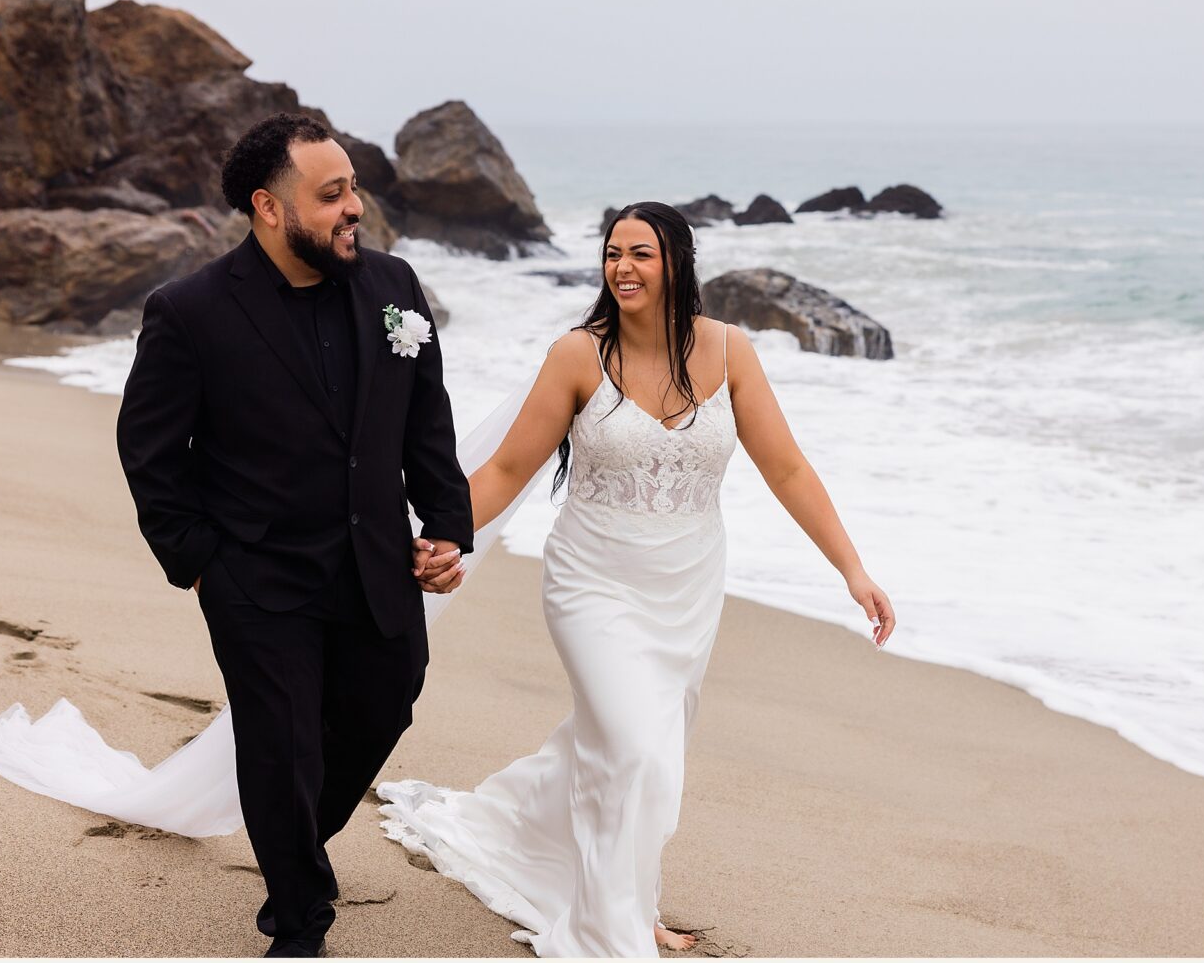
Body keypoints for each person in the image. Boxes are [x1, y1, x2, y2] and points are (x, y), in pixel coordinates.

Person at [379, 201, 896, 957]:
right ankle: (609, 929)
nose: (622, 266)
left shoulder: (730, 353)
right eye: (613, 253)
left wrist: (853, 570)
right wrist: (447, 536)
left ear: (677, 263)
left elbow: (786, 467)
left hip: (688, 588)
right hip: (592, 582)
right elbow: (511, 468)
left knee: (643, 749)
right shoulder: (576, 356)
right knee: (634, 750)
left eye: (641, 254)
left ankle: (614, 886)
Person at [115, 112, 474, 957]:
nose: (355, 206)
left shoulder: (395, 288)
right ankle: (300, 917)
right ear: (268, 208)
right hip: (257, 576)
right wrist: (200, 563)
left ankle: (294, 842)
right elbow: (150, 450)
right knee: (279, 740)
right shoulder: (190, 311)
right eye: (332, 194)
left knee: (389, 699)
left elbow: (427, 423)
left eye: (353, 187)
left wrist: (447, 525)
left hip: (376, 562)